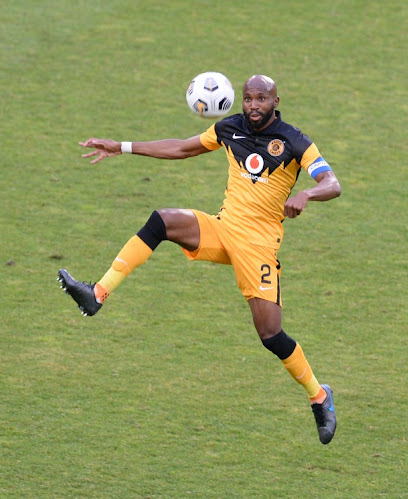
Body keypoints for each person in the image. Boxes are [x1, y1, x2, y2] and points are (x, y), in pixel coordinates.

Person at [58, 74, 341, 444]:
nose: (254, 106)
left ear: (276, 100)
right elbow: (181, 148)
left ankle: (320, 397)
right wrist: (121, 147)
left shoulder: (294, 141)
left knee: (270, 335)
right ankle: (97, 294)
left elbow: (332, 184)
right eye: (248, 99)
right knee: (163, 221)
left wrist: (307, 195)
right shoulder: (229, 128)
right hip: (223, 229)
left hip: (257, 247)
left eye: (261, 99)